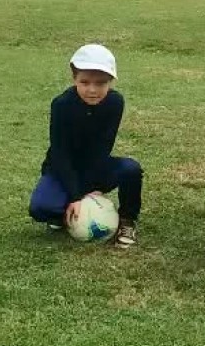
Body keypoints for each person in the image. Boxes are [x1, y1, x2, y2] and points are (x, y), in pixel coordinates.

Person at [28, 44, 142, 248]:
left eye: (101, 83)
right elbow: (60, 153)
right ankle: (63, 213)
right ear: (74, 80)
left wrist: (93, 187)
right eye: (85, 82)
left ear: (111, 82)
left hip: (95, 167)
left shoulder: (115, 102)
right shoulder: (61, 105)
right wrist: (76, 195)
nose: (92, 89)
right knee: (40, 207)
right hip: (62, 169)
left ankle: (127, 220)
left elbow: (103, 147)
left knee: (131, 169)